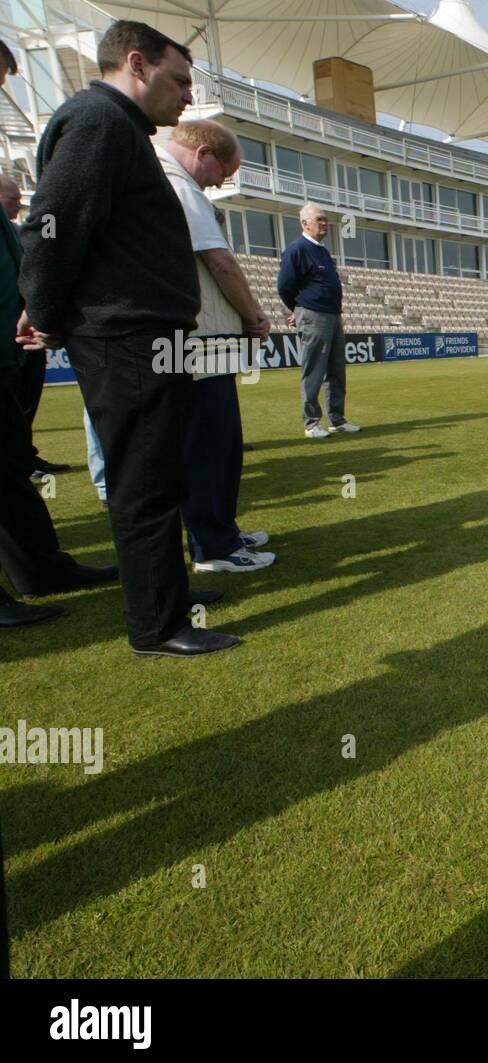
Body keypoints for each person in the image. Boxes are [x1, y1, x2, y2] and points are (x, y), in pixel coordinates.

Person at [17, 19, 237, 657]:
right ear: (137, 64)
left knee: (159, 472)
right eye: (179, 80)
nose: (188, 96)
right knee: (143, 476)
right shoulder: (97, 123)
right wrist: (44, 307)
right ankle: (157, 625)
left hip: (142, 331)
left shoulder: (118, 129)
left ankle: (168, 598)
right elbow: (52, 224)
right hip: (122, 334)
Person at [157, 120, 275, 573]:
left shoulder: (178, 186)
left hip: (203, 340)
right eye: (222, 173)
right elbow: (220, 262)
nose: (219, 184)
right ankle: (215, 546)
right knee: (210, 442)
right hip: (200, 341)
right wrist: (252, 314)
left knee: (220, 441)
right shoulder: (180, 188)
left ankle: (220, 530)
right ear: (203, 153)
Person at [0, 175, 67, 477]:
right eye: (13, 198)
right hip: (9, 340)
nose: (18, 204)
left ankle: (26, 457)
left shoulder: (17, 234)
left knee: (26, 401)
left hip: (26, 336)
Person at [277, 202, 360, 437]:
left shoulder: (322, 251)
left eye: (326, 219)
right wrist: (299, 309)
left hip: (333, 316)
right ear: (305, 223)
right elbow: (284, 285)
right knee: (313, 370)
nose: (325, 223)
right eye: (319, 219)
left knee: (336, 370)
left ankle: (337, 418)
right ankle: (312, 423)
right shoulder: (297, 249)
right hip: (314, 316)